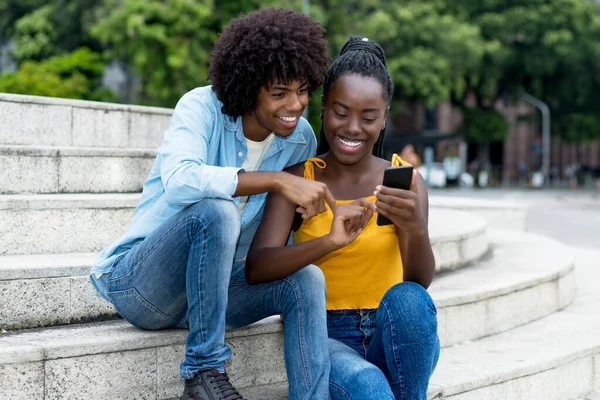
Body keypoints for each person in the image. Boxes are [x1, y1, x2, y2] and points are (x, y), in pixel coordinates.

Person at [89, 8, 334, 400]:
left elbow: (273, 233)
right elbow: (181, 181)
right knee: (215, 210)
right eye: (279, 93)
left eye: (303, 90)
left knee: (307, 279)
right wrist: (277, 179)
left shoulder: (300, 138)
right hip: (143, 285)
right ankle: (203, 372)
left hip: (217, 290)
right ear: (249, 85)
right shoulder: (200, 107)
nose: (295, 104)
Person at [246, 36, 440, 400]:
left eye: (368, 117)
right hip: (324, 336)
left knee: (410, 299)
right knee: (370, 388)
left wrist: (414, 230)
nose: (352, 128)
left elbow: (419, 282)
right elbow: (257, 268)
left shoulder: (406, 180)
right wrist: (328, 242)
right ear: (323, 110)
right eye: (341, 112)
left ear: (383, 120)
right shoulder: (298, 179)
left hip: (392, 334)